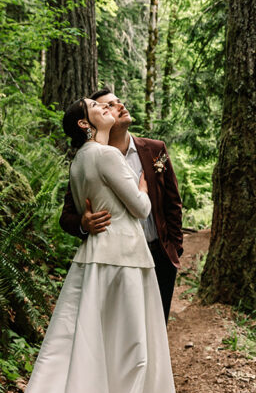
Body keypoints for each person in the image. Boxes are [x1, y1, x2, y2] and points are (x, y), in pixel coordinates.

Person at [18, 97, 182, 393]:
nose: (110, 105)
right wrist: (139, 190)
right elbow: (140, 209)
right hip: (124, 257)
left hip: (104, 258)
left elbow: (171, 202)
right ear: (84, 123)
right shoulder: (105, 155)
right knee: (131, 342)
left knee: (91, 338)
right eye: (97, 104)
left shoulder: (80, 159)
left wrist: (176, 249)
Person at [60, 89, 183, 323]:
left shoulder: (156, 150)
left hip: (159, 256)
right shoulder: (93, 158)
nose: (119, 106)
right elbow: (67, 215)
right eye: (109, 106)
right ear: (95, 119)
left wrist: (174, 248)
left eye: (118, 102)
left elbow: (172, 202)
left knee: (156, 329)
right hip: (118, 259)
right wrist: (84, 224)